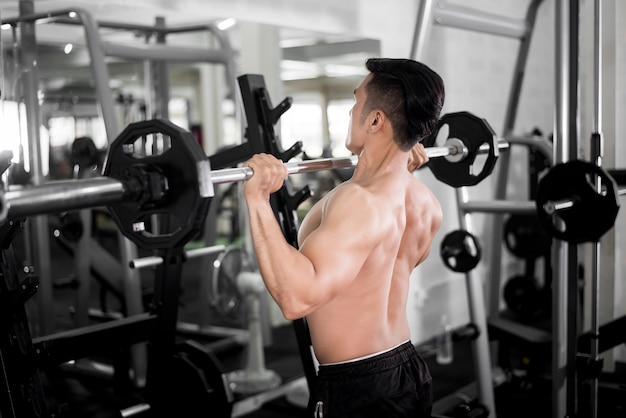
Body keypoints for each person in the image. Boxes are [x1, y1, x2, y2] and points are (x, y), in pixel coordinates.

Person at [242, 58, 445, 418]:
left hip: (359, 389)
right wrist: (398, 158)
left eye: (355, 103)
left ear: (376, 120)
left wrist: (257, 199)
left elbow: (296, 299)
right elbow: (381, 265)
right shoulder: (425, 204)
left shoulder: (358, 202)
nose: (351, 112)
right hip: (408, 370)